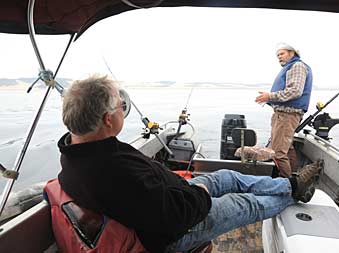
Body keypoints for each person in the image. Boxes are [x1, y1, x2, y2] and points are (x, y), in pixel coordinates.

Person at [56, 75, 322, 252]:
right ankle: (294, 194)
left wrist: (189, 189)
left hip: (173, 199)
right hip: (174, 232)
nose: (123, 110)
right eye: (119, 106)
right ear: (106, 120)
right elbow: (170, 218)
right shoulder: (111, 170)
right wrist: (200, 196)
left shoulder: (79, 152)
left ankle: (290, 184)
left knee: (227, 177)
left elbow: (146, 196)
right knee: (243, 203)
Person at [255, 43, 313, 178]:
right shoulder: (291, 67)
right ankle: (294, 178)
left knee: (278, 152)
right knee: (288, 148)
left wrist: (269, 96)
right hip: (283, 115)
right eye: (277, 55)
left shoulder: (297, 66)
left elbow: (294, 91)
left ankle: (285, 185)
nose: (279, 57)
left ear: (292, 53)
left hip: (287, 115)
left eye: (282, 54)